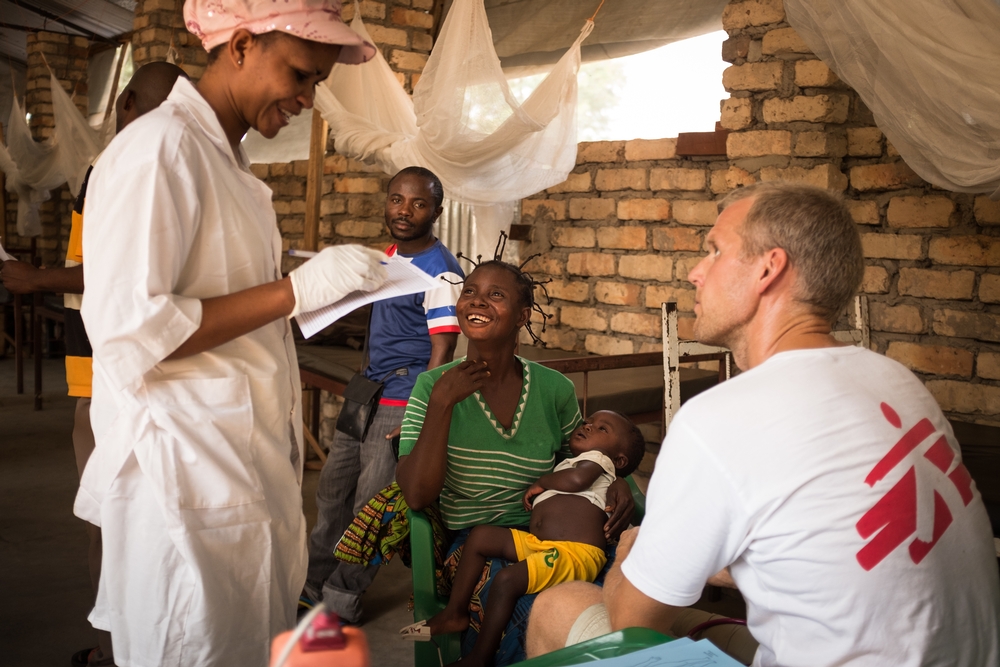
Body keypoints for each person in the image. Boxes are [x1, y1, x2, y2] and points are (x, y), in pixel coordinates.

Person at [525, 182, 1000, 666]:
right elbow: (838, 553)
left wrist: (632, 546)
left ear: (768, 270)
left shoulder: (720, 419)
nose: (695, 272)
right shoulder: (898, 382)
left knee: (561, 605)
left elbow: (633, 623)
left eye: (714, 251)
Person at [72, 2, 390, 665]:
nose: (307, 99)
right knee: (193, 645)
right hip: (185, 478)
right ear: (242, 44)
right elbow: (134, 328)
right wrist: (293, 291)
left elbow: (217, 293)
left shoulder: (226, 162)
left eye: (317, 83)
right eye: (300, 75)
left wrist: (316, 293)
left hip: (233, 463)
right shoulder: (159, 150)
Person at [0, 61, 188, 667]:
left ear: (124, 101)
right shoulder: (140, 168)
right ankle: (125, 643)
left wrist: (36, 278)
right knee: (118, 511)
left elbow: (121, 270)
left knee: (109, 514)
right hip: (110, 360)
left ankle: (117, 651)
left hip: (115, 366)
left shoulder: (120, 168)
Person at [395, 258, 635, 665]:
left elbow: (579, 459)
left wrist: (616, 479)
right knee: (539, 610)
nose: (478, 301)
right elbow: (417, 496)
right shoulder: (433, 387)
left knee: (632, 589)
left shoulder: (553, 389)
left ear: (523, 316)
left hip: (559, 534)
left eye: (496, 295)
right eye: (470, 291)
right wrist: (441, 405)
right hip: (475, 545)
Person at [303, 165, 464, 622]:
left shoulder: (442, 273)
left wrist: (418, 417)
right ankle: (312, 586)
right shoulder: (388, 255)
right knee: (332, 496)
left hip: (400, 403)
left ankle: (339, 601)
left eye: (418, 203)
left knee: (369, 508)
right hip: (366, 394)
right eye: (397, 199)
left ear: (436, 209)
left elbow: (444, 348)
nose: (405, 210)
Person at [402, 410, 645, 667]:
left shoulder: (597, 461)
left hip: (574, 553)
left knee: (507, 581)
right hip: (542, 545)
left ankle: (479, 657)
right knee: (481, 537)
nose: (588, 426)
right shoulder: (580, 462)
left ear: (618, 461)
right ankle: (455, 612)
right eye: (588, 421)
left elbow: (577, 479)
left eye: (602, 429)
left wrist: (543, 481)